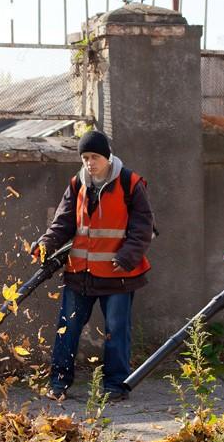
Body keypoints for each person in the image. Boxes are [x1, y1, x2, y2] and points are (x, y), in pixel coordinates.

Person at [32, 130, 155, 402]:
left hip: (118, 274)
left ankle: (115, 386)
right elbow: (63, 222)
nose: (90, 162)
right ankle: (58, 383)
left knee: (116, 331)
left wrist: (127, 256)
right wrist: (45, 244)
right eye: (85, 157)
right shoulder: (77, 184)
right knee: (68, 328)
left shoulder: (130, 183)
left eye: (95, 156)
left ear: (107, 156)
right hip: (80, 273)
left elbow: (143, 227)